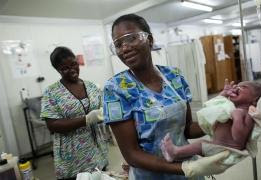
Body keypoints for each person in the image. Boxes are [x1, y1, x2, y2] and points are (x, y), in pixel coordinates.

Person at [103, 14, 230, 180]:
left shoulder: (174, 76)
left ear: (149, 40)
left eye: (131, 38)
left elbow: (187, 129)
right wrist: (185, 167)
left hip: (188, 171)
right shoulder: (116, 89)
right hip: (152, 175)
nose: (125, 48)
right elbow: (131, 154)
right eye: (118, 45)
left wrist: (220, 114)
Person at [40, 47, 109, 180]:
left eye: (73, 64)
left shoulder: (92, 87)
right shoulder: (51, 92)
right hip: (72, 156)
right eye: (65, 68)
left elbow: (103, 112)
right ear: (58, 70)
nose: (72, 70)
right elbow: (53, 125)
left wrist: (103, 115)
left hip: (97, 150)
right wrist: (86, 119)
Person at [161, 81, 261, 162]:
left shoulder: (247, 114)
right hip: (218, 143)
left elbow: (239, 137)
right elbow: (214, 104)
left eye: (243, 87)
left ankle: (175, 152)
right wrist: (224, 93)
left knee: (200, 145)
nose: (237, 87)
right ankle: (177, 154)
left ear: (254, 100)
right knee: (200, 146)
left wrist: (237, 118)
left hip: (226, 149)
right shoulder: (232, 107)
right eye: (237, 85)